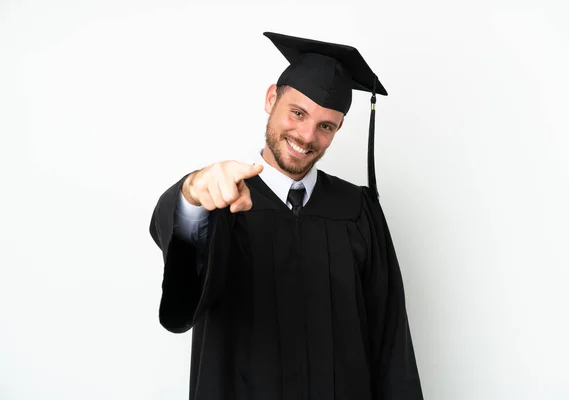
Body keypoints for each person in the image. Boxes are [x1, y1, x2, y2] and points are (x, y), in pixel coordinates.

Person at [149, 31, 423, 400]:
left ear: (338, 128)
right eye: (298, 113)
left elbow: (391, 341)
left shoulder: (357, 211)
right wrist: (191, 195)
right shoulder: (223, 199)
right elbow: (182, 299)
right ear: (270, 99)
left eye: (326, 125)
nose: (307, 135)